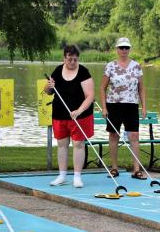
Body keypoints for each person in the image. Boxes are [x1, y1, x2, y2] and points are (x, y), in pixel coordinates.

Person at [44, 45, 94, 188]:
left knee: (78, 144)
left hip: (79, 115)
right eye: (69, 59)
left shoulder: (83, 72)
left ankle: (77, 176)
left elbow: (90, 96)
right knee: (62, 144)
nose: (72, 62)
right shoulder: (58, 71)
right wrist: (49, 85)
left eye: (75, 59)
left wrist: (79, 110)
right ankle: (62, 175)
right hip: (60, 114)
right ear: (64, 58)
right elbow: (48, 92)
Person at [100, 37, 147, 179]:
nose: (124, 50)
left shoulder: (136, 66)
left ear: (129, 49)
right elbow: (102, 88)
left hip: (132, 105)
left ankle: (136, 169)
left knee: (134, 136)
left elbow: (141, 88)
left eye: (127, 48)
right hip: (114, 105)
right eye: (121, 48)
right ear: (117, 49)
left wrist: (144, 106)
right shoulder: (110, 66)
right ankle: (114, 168)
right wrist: (104, 107)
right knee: (114, 135)